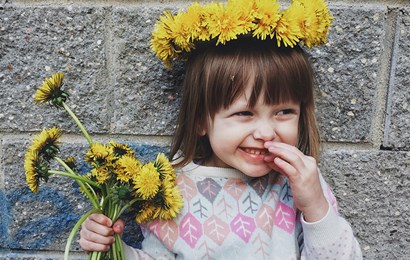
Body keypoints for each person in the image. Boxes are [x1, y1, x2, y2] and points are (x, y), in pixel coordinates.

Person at [79, 0, 363, 259]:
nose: (266, 132)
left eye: (284, 112)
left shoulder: (300, 183)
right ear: (201, 119)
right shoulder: (172, 191)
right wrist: (109, 247)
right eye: (244, 113)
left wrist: (316, 209)